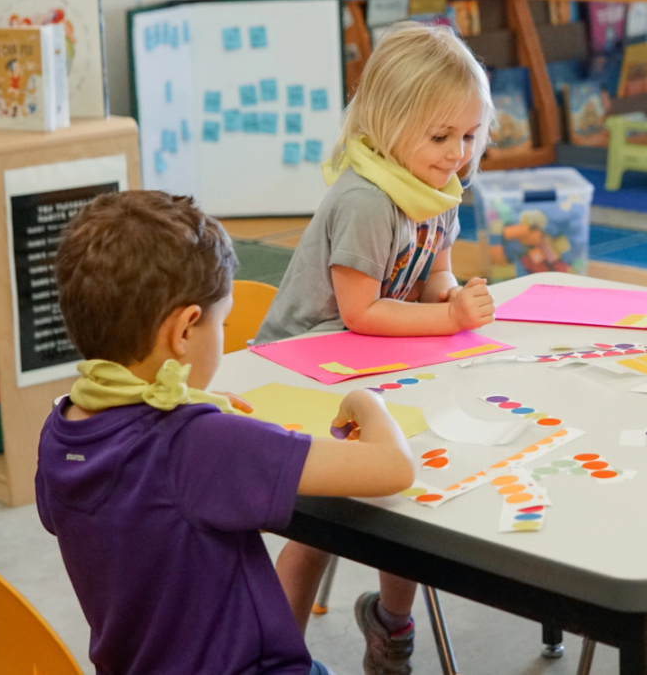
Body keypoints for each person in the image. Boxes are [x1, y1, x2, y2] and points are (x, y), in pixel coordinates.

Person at [36, 190, 416, 675]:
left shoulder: (62, 428)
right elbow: (393, 467)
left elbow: (141, 514)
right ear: (186, 330)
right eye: (224, 320)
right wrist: (367, 400)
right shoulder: (199, 443)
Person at [257, 21, 496, 675]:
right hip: (299, 373)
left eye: (470, 137)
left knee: (405, 498)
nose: (457, 154)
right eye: (441, 137)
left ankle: (391, 625)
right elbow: (361, 313)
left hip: (372, 368)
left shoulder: (437, 190)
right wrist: (447, 323)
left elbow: (431, 277)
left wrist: (452, 297)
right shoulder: (367, 199)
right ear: (388, 126)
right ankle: (279, 660)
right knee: (316, 534)